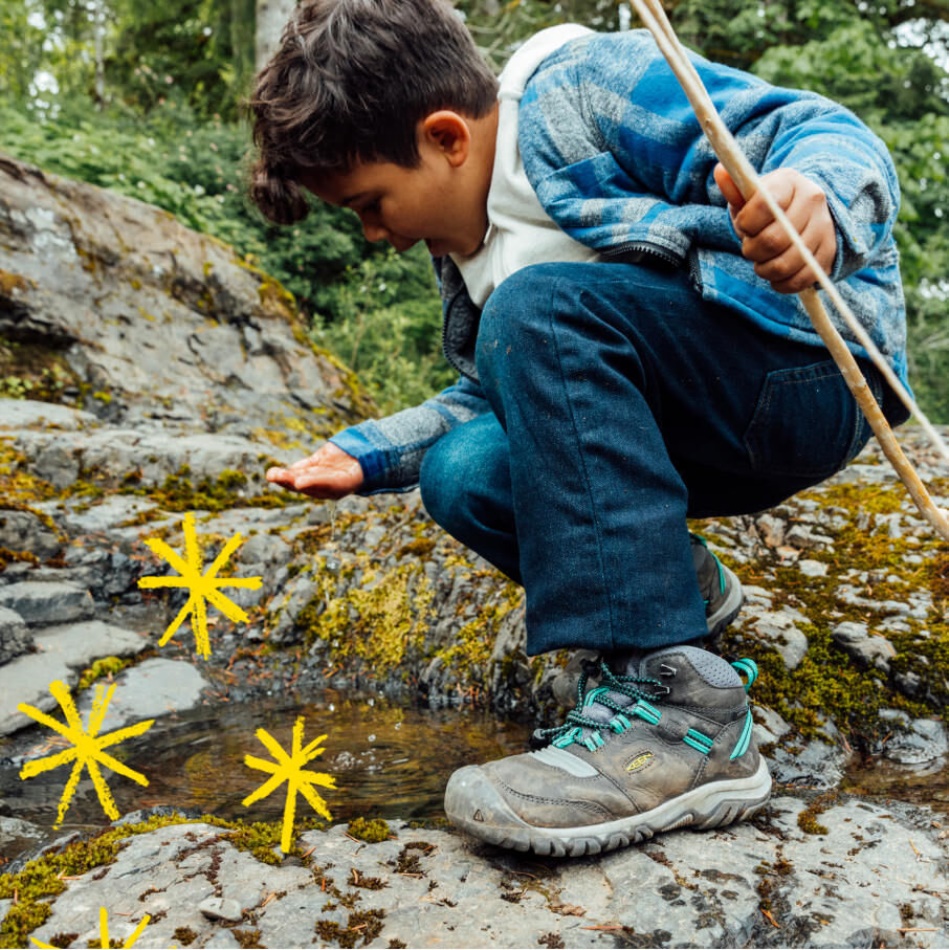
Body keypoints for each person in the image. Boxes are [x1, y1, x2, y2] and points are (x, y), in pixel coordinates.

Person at [248, 0, 909, 857]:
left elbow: (813, 127)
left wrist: (814, 200)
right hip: (697, 417)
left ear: (447, 137)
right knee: (463, 471)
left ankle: (686, 726)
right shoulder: (477, 258)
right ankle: (674, 588)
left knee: (534, 313)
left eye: (370, 203)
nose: (376, 234)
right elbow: (513, 391)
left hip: (805, 375)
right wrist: (369, 454)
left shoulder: (577, 92)